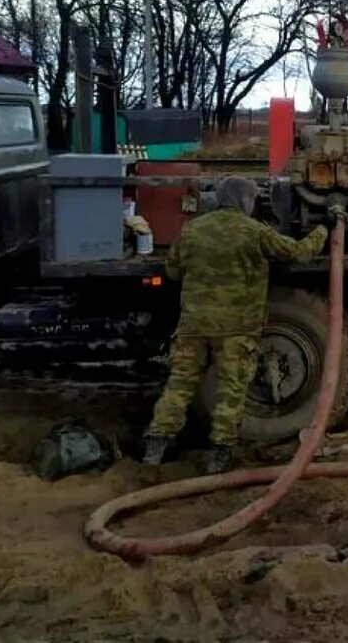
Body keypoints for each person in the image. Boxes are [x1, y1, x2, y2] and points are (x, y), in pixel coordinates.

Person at [143, 176, 329, 474]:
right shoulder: (254, 232)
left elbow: (173, 271)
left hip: (194, 327)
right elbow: (300, 252)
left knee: (178, 386)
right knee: (230, 392)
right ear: (246, 201)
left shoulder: (192, 230)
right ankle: (220, 456)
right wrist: (324, 228)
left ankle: (155, 448)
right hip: (236, 329)